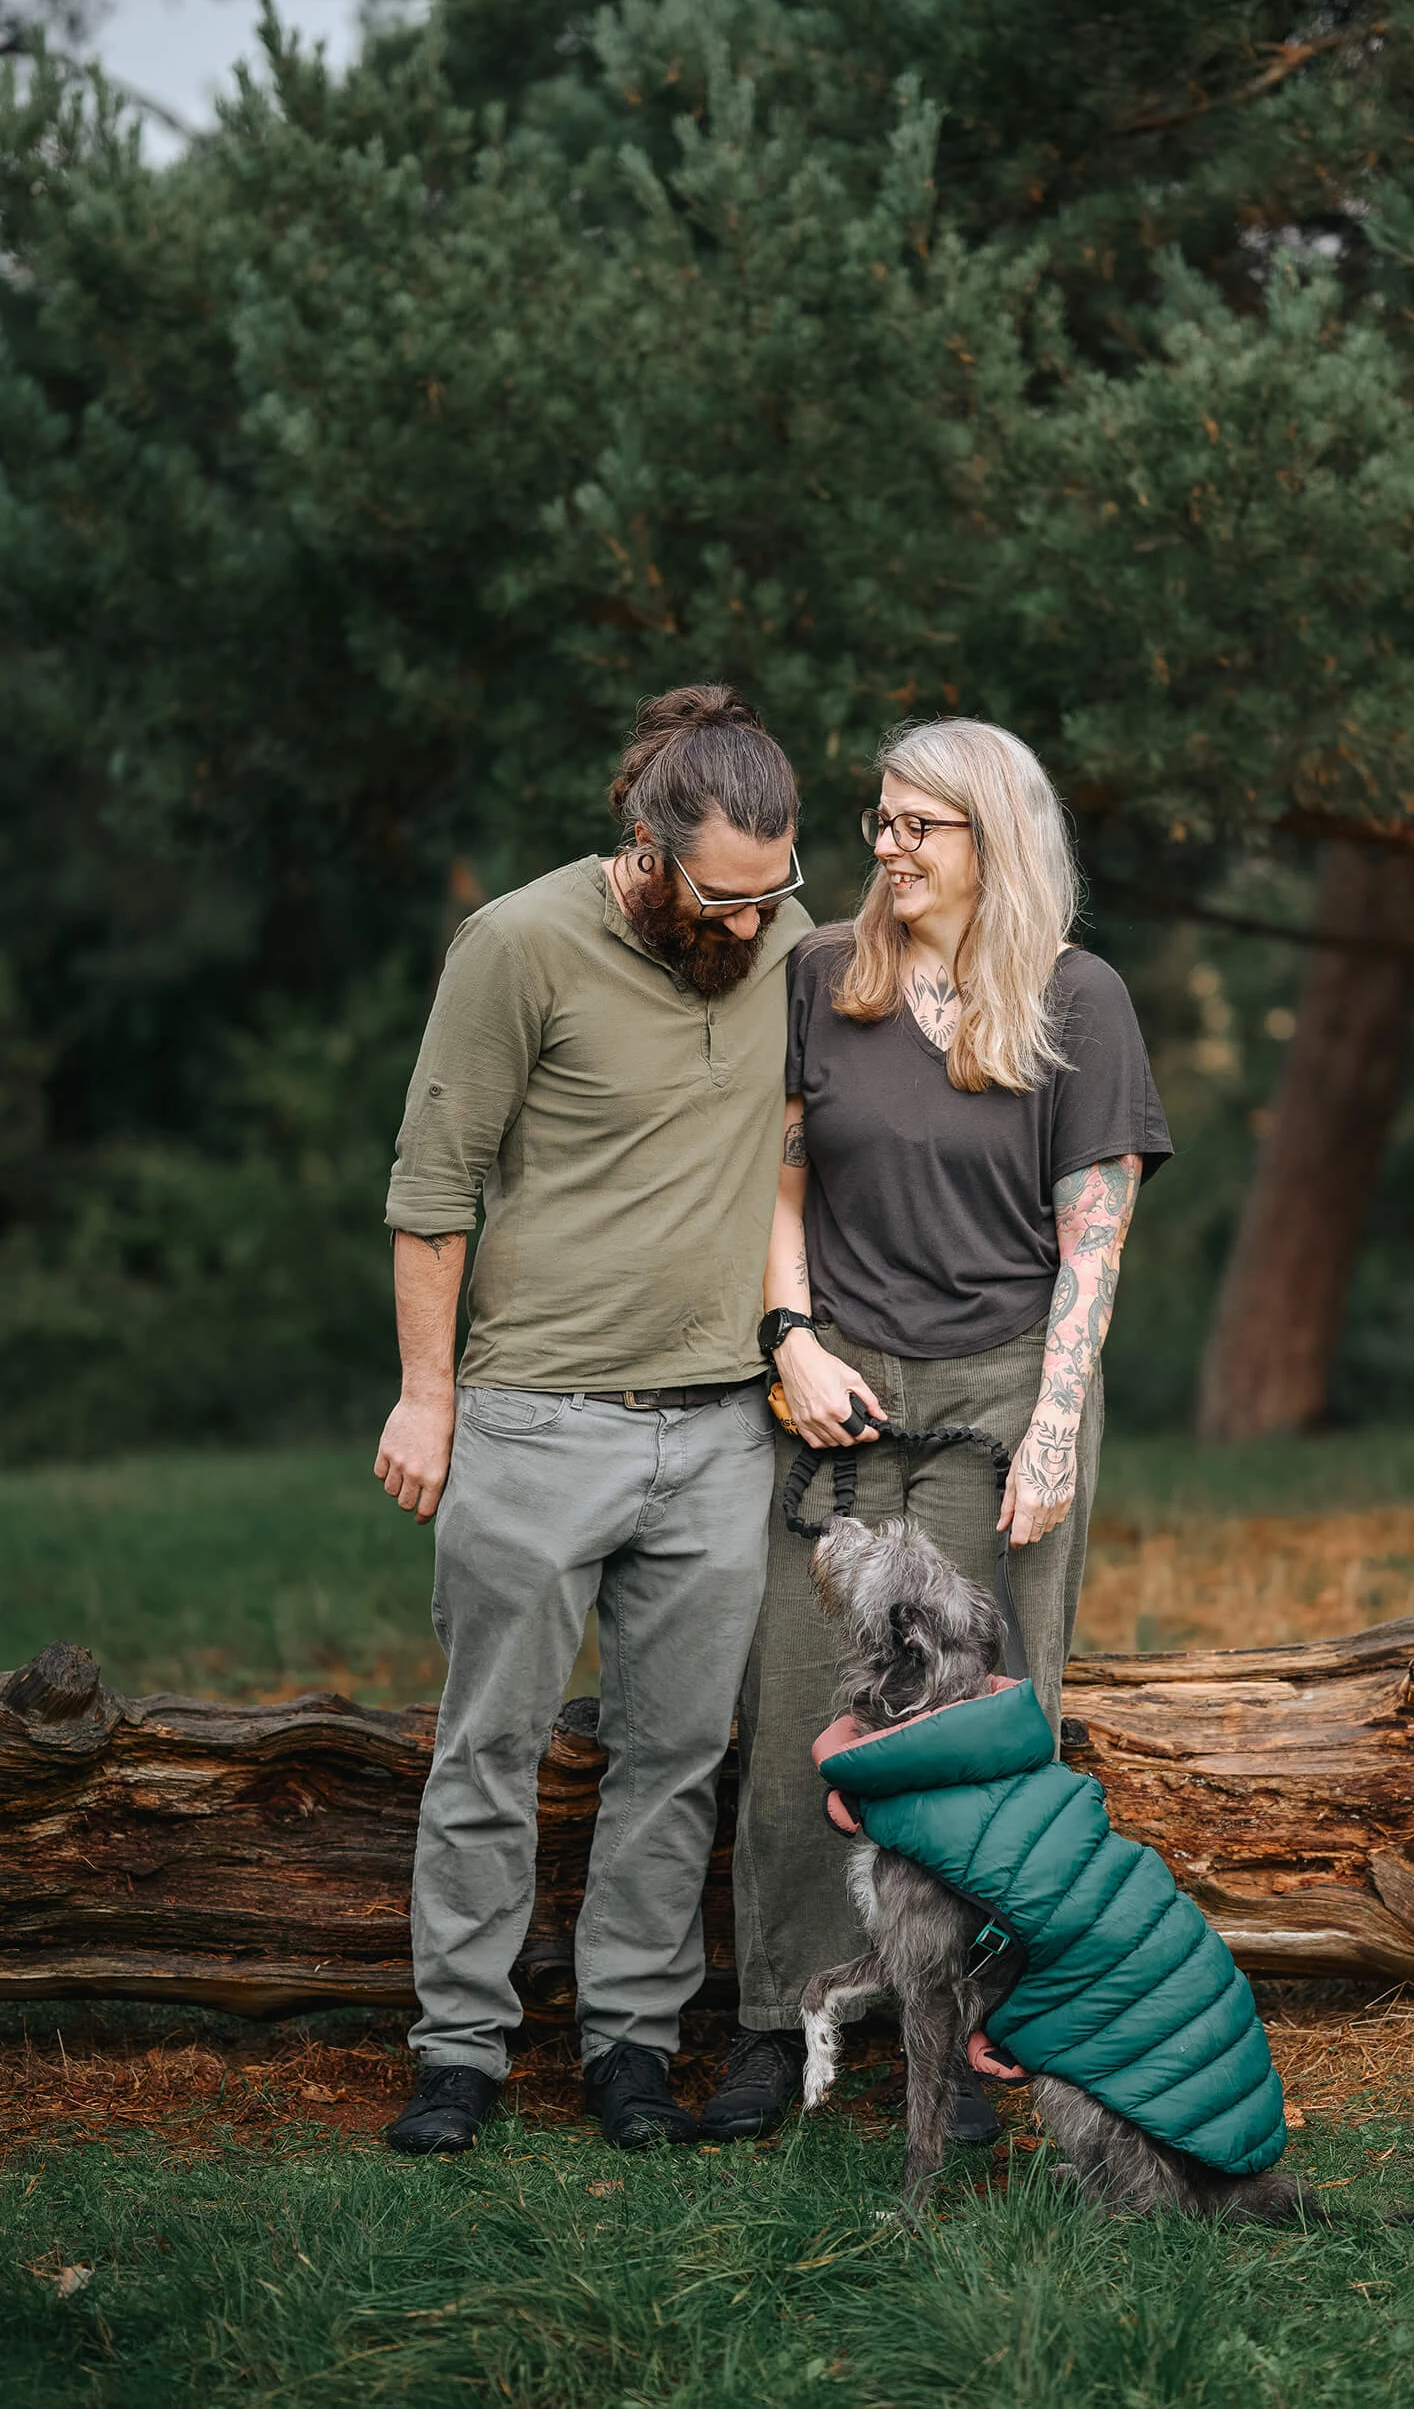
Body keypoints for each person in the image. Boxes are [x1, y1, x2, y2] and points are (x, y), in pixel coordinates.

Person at [698, 715, 1171, 2143]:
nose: (889, 848)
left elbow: (1094, 1236)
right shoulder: (822, 977)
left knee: (979, 1725)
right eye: (883, 822)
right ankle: (779, 2020)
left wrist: (1056, 1424)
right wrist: (789, 1340)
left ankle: (962, 2036)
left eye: (921, 825)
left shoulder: (1077, 997)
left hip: (1002, 1387)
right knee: (801, 1702)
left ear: (995, 836)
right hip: (839, 1389)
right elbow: (779, 1184)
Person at [374, 684, 811, 2156]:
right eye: (723, 896)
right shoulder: (516, 945)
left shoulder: (788, 940)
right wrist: (427, 1396)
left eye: (774, 892)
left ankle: (631, 2044)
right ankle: (460, 2051)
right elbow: (433, 1189)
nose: (751, 923)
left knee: (673, 1759)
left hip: (722, 1431)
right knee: (488, 1751)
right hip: (532, 1421)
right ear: (646, 846)